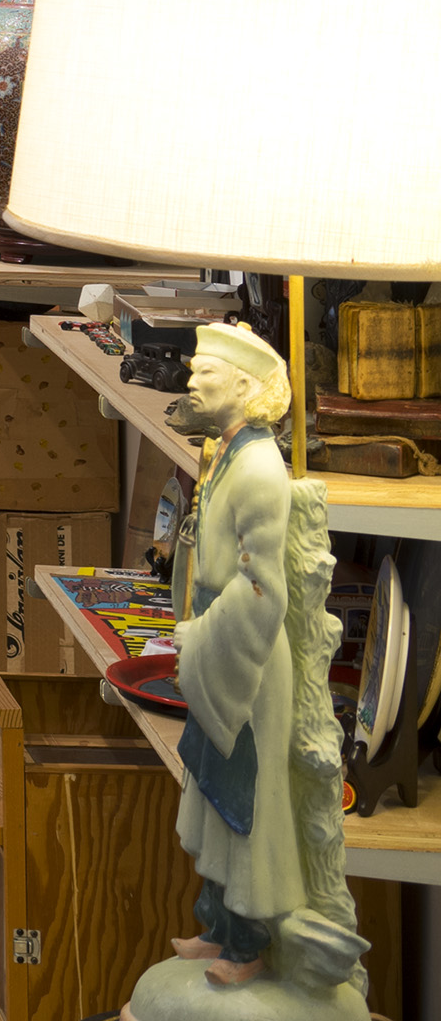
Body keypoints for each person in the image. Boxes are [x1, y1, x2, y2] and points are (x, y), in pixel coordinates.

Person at [138, 322, 367, 1017]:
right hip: (212, 642)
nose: (193, 379)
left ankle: (249, 944)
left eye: (206, 370)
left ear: (242, 386)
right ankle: (220, 927)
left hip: (244, 663)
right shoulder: (223, 454)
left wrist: (202, 637)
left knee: (244, 809)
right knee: (211, 799)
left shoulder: (263, 469)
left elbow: (261, 591)